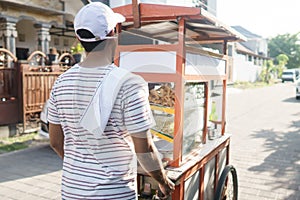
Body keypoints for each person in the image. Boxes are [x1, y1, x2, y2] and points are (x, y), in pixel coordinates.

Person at [48, 2, 175, 200]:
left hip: (72, 192)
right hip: (114, 194)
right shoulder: (129, 83)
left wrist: (82, 168)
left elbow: (55, 142)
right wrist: (163, 181)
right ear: (114, 35)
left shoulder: (61, 82)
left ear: (78, 38)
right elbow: (145, 150)